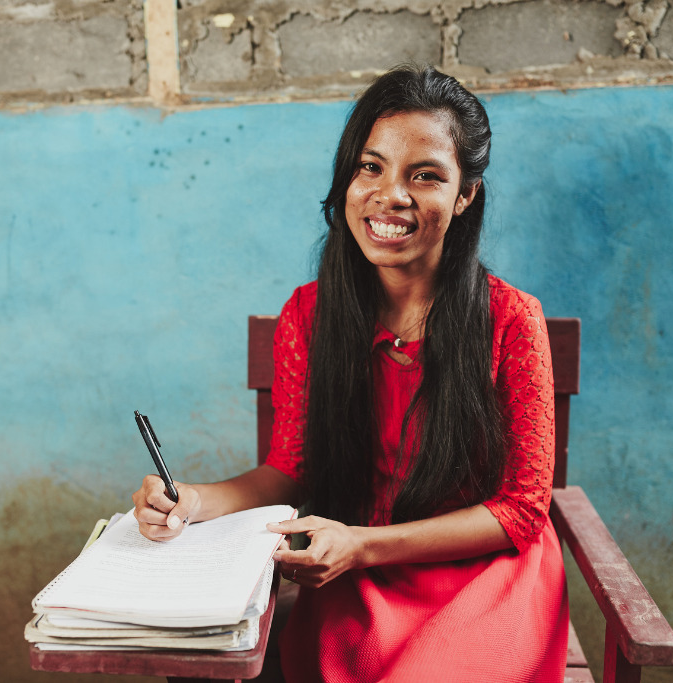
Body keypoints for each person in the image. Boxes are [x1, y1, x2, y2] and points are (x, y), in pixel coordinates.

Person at [132, 64, 569, 682]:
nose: (390, 195)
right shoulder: (310, 316)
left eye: (425, 176)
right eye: (371, 167)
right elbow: (292, 468)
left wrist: (362, 544)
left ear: (465, 194)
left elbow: (523, 509)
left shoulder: (510, 319)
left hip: (481, 575)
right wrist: (192, 501)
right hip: (357, 573)